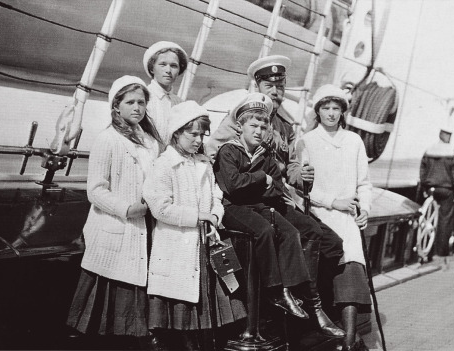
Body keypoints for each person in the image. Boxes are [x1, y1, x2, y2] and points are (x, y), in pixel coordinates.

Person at [206, 55, 345, 338]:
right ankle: (298, 306)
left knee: (330, 241)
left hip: (276, 195)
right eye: (268, 84)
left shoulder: (285, 124)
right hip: (250, 199)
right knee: (297, 233)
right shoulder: (243, 118)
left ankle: (305, 300)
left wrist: (300, 176)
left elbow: (291, 164)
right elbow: (214, 151)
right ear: (256, 85)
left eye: (280, 86)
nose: (275, 90)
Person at [143, 101, 246, 349]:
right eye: (193, 133)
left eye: (202, 134)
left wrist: (214, 217)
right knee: (183, 313)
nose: (199, 140)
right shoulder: (164, 165)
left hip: (204, 244)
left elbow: (216, 197)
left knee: (208, 311)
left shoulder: (202, 164)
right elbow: (160, 207)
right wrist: (199, 216)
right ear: (177, 133)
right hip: (178, 245)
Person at [66, 76, 162, 340]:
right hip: (117, 222)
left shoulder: (152, 143)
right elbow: (95, 190)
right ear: (116, 106)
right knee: (110, 277)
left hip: (145, 223)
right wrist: (127, 209)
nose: (136, 108)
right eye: (130, 102)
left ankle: (135, 334)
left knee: (138, 276)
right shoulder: (107, 140)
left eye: (141, 102)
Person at [214, 92, 309, 320]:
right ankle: (274, 290)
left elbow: (277, 187)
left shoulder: (264, 154)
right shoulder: (229, 151)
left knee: (290, 233)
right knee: (264, 230)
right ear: (240, 127)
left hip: (258, 205)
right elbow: (233, 186)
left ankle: (290, 289)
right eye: (253, 125)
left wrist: (262, 185)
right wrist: (260, 179)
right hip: (233, 209)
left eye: (263, 127)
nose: (258, 131)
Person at [296, 84, 372, 351]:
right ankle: (336, 336)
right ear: (317, 111)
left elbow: (364, 183)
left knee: (351, 267)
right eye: (325, 108)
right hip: (320, 215)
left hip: (349, 218)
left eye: (336, 108)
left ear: (343, 112)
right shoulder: (307, 141)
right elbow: (302, 189)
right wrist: (333, 201)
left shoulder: (353, 141)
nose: (330, 113)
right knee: (327, 272)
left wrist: (365, 209)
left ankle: (349, 341)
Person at [420, 126, 454, 263]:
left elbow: (423, 170)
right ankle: (441, 250)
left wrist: (424, 186)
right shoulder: (452, 152)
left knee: (428, 219)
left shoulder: (429, 150)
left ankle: (428, 249)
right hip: (446, 190)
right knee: (445, 220)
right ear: (448, 136)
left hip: (430, 189)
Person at [143, 40, 188, 143]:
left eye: (173, 66)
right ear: (152, 69)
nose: (168, 70)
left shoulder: (180, 103)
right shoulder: (143, 97)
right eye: (162, 64)